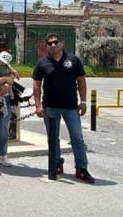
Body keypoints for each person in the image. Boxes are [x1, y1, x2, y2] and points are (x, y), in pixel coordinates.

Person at [33, 33, 95, 184]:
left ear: (62, 43)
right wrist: (38, 105)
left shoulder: (73, 60)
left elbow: (81, 81)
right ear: (47, 46)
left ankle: (81, 168)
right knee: (53, 138)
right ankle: (56, 163)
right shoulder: (42, 63)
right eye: (50, 43)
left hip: (71, 107)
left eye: (56, 42)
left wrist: (84, 101)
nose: (53, 45)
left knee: (77, 138)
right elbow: (36, 84)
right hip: (50, 107)